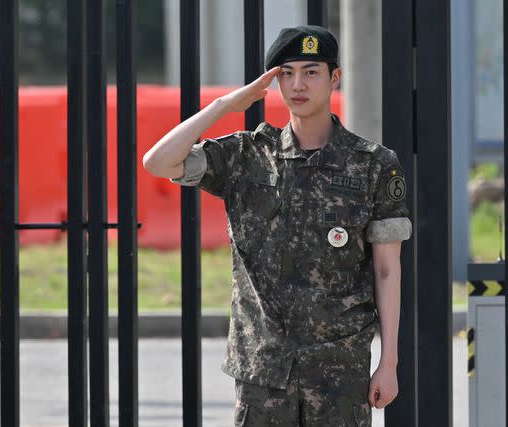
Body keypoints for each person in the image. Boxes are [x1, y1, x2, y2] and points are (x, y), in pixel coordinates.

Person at [143, 25, 411, 426]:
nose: (298, 84)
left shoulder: (373, 164)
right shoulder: (247, 156)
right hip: (264, 371)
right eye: (286, 73)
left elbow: (387, 270)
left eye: (311, 71)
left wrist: (388, 362)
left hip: (338, 370)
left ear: (334, 77)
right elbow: (158, 162)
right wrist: (224, 105)